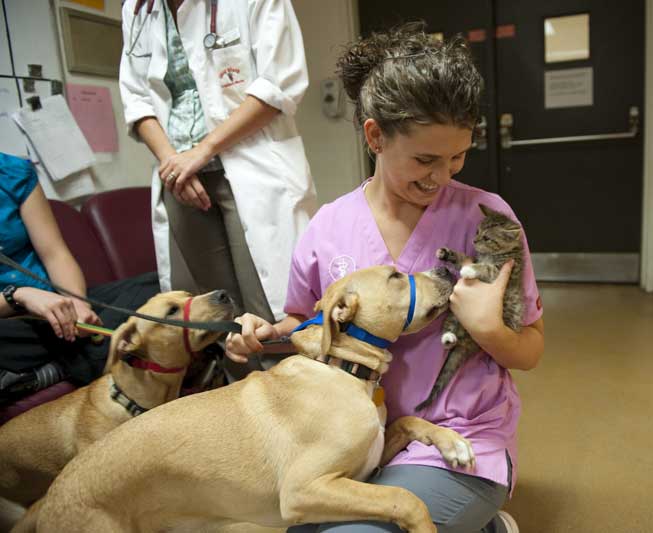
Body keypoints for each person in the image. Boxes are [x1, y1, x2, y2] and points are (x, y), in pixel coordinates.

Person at [226, 25, 545, 533]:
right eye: (424, 159)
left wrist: (489, 330)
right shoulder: (328, 226)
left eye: (458, 157)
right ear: (375, 135)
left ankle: (478, 515)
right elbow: (306, 324)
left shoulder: (487, 219)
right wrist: (265, 337)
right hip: (353, 431)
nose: (441, 177)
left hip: (458, 441)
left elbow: (530, 351)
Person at [119, 0, 317, 374]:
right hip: (180, 178)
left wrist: (202, 150)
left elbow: (279, 83)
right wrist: (172, 164)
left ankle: (299, 417)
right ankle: (244, 419)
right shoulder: (137, 9)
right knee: (220, 318)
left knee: (271, 311)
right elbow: (136, 97)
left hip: (251, 166)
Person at [0, 153, 159, 402]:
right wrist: (18, 296)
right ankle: (79, 361)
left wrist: (77, 303)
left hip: (56, 303)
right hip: (9, 316)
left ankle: (53, 368)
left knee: (160, 287)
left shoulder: (13, 172)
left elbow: (55, 253)